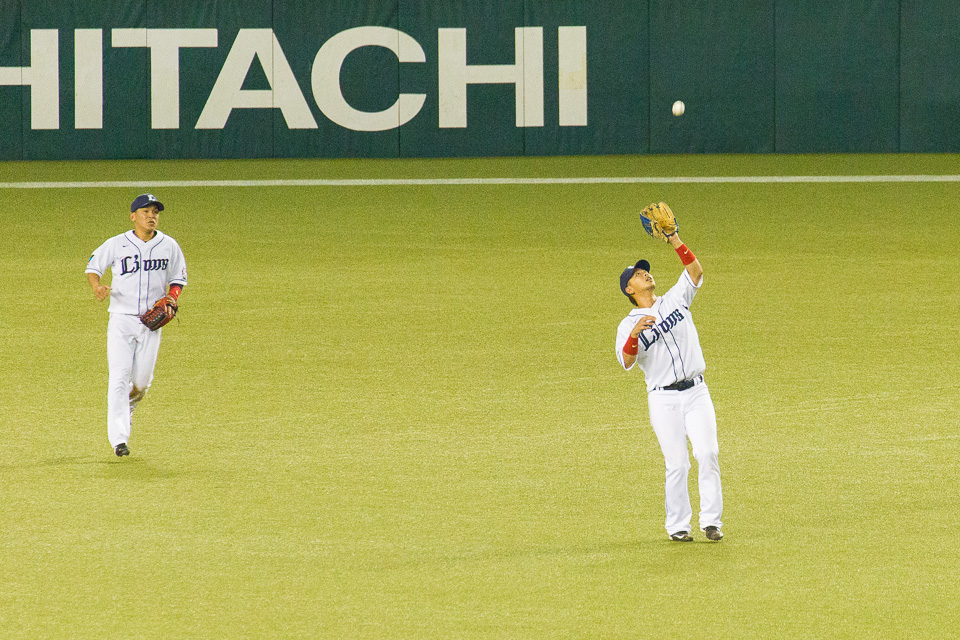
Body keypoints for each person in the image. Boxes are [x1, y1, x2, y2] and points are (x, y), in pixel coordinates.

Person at [615, 230, 724, 542]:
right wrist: (634, 334)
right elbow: (626, 361)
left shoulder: (676, 298)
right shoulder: (626, 324)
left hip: (697, 391)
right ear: (628, 288)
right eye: (637, 274)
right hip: (663, 400)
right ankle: (678, 526)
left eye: (645, 270)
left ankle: (711, 522)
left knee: (708, 452)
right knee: (677, 463)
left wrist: (675, 239)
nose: (645, 274)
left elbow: (695, 272)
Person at [85, 194, 187, 457]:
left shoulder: (169, 245)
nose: (151, 216)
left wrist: (172, 298)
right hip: (121, 319)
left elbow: (178, 278)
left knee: (141, 382)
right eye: (145, 211)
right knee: (118, 379)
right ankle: (119, 440)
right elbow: (93, 267)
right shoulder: (117, 244)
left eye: (155, 212)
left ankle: (126, 407)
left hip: (151, 323)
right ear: (133, 216)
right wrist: (96, 286)